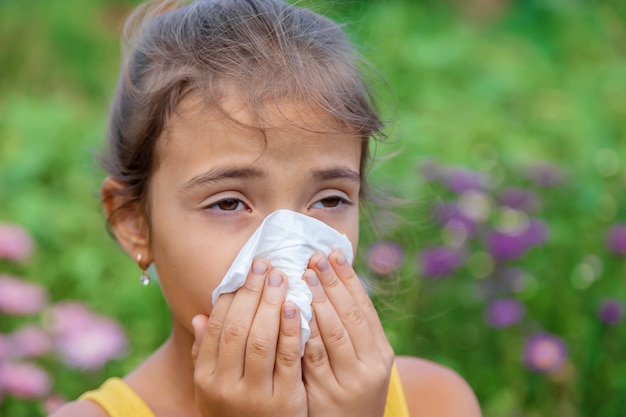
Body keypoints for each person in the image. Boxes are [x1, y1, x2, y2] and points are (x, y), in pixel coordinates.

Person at [52, 0, 481, 416]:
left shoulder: (436, 401)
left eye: (329, 199)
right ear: (134, 224)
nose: (287, 250)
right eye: (229, 203)